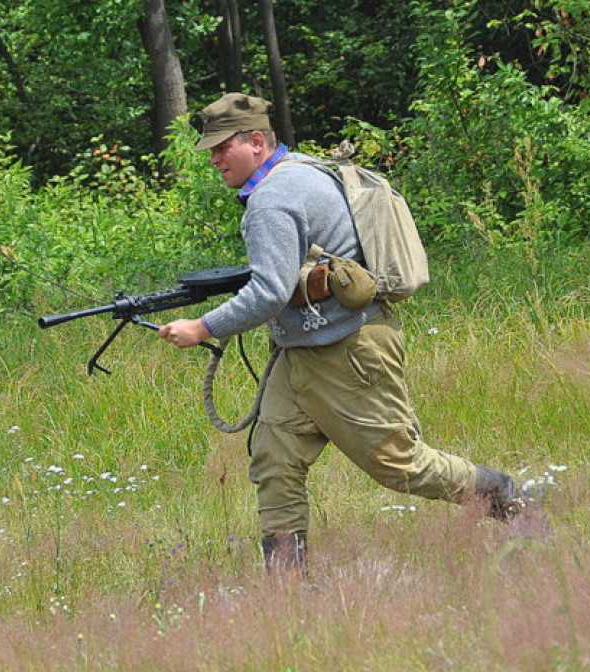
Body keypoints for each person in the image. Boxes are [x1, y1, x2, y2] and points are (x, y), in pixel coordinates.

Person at [158, 93, 529, 576]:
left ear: (256, 142)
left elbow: (269, 293)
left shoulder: (272, 199)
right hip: (304, 351)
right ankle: (287, 585)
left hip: (348, 351)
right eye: (211, 149)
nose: (214, 159)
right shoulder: (303, 169)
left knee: (400, 465)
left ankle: (511, 497)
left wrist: (202, 327)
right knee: (274, 461)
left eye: (222, 147)